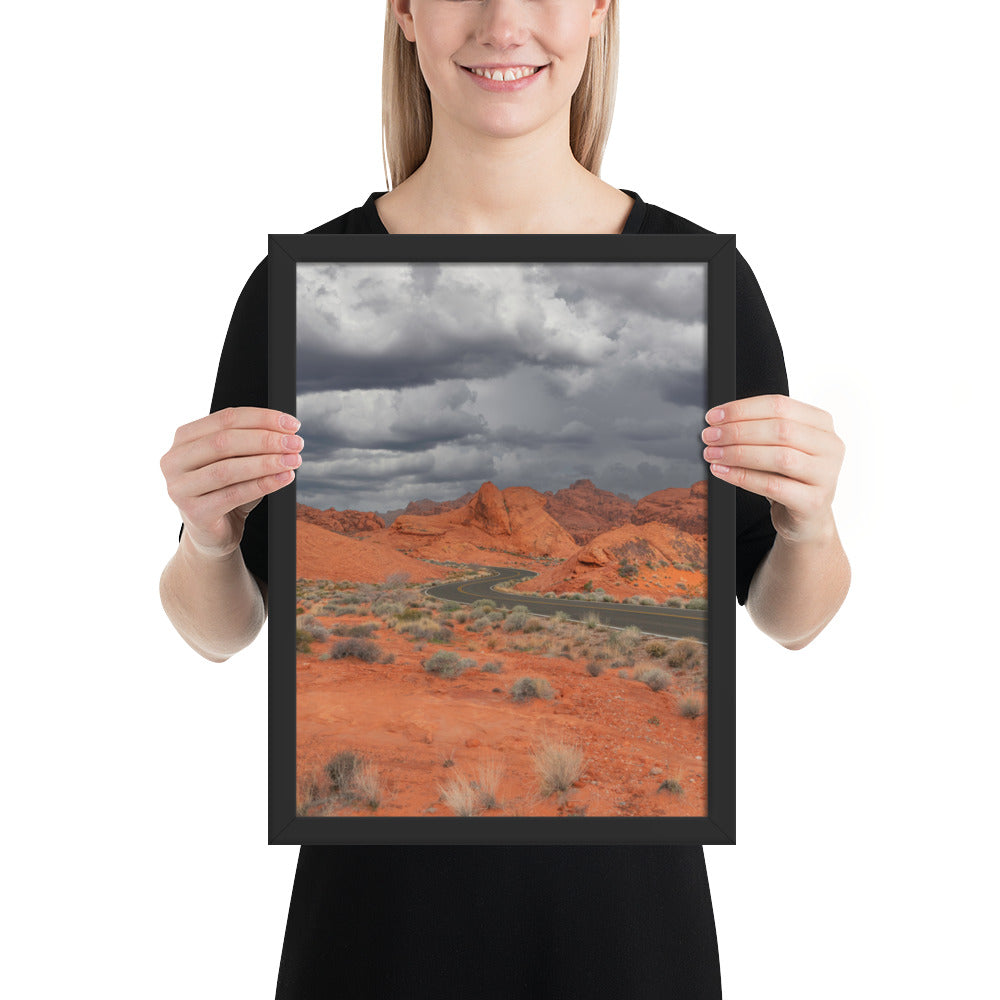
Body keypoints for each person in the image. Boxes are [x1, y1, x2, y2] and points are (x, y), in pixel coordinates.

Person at [159, 1, 851, 997]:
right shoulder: (290, 289)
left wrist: (810, 522)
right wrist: (208, 539)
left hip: (626, 937)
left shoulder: (707, 282)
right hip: (372, 936)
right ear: (402, 12)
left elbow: (790, 616)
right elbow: (219, 632)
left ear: (601, 11)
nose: (503, 20)